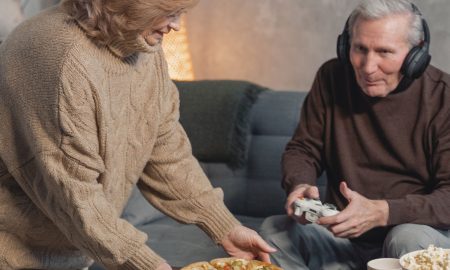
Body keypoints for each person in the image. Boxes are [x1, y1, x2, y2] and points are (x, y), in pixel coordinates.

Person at [0, 0, 276, 269]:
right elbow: (73, 191)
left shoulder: (139, 43)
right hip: (13, 255)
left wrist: (225, 227)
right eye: (168, 13)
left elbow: (164, 145)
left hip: (76, 249)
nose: (177, 26)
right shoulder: (54, 55)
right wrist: (146, 262)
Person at [260, 0, 450, 269]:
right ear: (345, 45)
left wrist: (383, 211)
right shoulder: (331, 77)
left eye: (384, 51)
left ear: (416, 55)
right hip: (342, 238)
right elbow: (303, 149)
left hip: (409, 238)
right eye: (360, 48)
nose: (368, 66)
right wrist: (300, 185)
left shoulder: (443, 96)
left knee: (406, 238)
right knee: (276, 230)